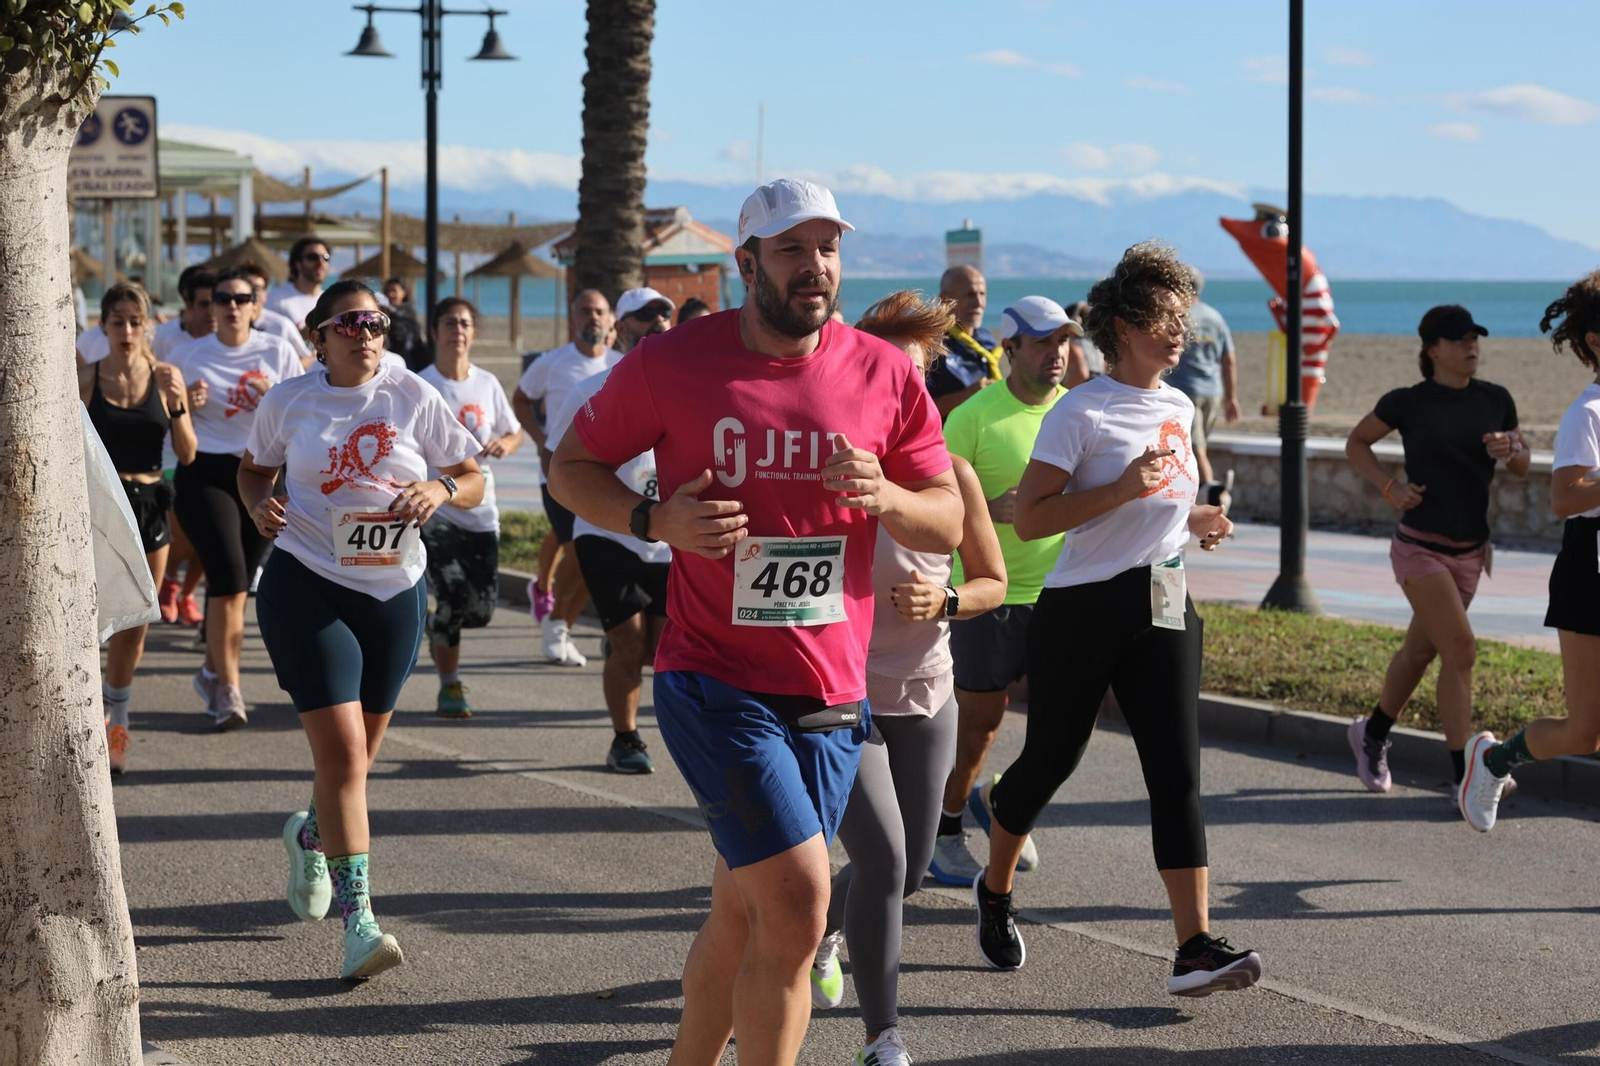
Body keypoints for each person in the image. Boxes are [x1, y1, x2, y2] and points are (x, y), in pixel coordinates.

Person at [549, 178, 962, 1066]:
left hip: (831, 688)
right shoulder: (673, 362)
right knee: (802, 906)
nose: (815, 267)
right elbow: (572, 465)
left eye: (828, 248)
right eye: (791, 249)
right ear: (746, 265)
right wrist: (651, 521)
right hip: (713, 678)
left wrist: (887, 493)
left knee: (742, 914)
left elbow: (948, 518)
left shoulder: (882, 371)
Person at [970, 242, 1261, 999]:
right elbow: (1032, 519)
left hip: (1164, 602)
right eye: (1166, 318)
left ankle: (1193, 947)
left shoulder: (1178, 404)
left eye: (1184, 318)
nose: (1180, 332)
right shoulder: (1082, 410)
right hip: (1081, 609)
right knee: (1050, 761)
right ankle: (996, 888)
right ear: (1124, 327)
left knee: (1177, 773)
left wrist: (1195, 516)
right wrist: (1123, 491)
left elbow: (1159, 497)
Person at [240, 280, 484, 981]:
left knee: (357, 763)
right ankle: (360, 924)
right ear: (318, 335)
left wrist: (440, 490)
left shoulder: (411, 395)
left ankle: (312, 832)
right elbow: (252, 472)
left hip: (394, 592)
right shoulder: (288, 400)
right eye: (348, 321)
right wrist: (260, 507)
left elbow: (470, 476)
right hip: (307, 582)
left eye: (375, 319)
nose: (365, 330)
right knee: (345, 758)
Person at [808, 291, 1007, 1066]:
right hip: (844, 692)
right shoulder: (836, 468)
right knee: (886, 861)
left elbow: (991, 581)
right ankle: (882, 1037)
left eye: (922, 373)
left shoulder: (952, 473)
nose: (910, 387)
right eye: (896, 371)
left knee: (914, 868)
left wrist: (948, 598)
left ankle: (823, 916)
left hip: (926, 690)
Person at [924, 296, 1080, 888]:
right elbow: (932, 498)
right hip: (989, 594)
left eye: (1063, 341)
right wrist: (986, 510)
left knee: (1063, 727)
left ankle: (1002, 801)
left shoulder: (1075, 412)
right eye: (1042, 342)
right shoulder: (974, 417)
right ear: (1009, 349)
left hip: (1063, 590)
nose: (1057, 353)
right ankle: (946, 826)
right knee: (980, 724)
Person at [1345, 305, 1526, 802]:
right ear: (1433, 350)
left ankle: (1371, 734)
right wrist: (1389, 487)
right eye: (1460, 339)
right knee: (1461, 650)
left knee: (1421, 651)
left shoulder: (1496, 399)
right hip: (1419, 549)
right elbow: (1357, 442)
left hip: (1470, 551)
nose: (1472, 346)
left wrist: (1511, 447)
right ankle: (1465, 776)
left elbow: (1522, 464)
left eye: (1475, 338)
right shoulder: (1409, 402)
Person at [1460, 271, 1600, 831]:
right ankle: (1493, 761)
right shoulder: (1587, 414)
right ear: (1595, 340)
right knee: (1584, 732)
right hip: (1590, 567)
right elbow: (1565, 497)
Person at [167, 269, 304, 729]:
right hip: (205, 471)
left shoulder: (278, 350)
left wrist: (275, 399)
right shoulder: (187, 355)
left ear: (255, 305)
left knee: (239, 584)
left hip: (264, 474)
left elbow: (301, 411)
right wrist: (183, 402)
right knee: (227, 576)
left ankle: (211, 672)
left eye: (240, 298)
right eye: (219, 298)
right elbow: (169, 420)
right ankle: (229, 688)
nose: (229, 306)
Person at [80, 283, 198, 773]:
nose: (126, 331)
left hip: (150, 502)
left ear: (147, 325)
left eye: (135, 321)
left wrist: (177, 406)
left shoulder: (167, 376)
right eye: (117, 322)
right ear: (103, 327)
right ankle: (84, 718)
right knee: (85, 619)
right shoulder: (85, 378)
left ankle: (117, 719)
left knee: (136, 621)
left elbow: (188, 453)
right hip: (101, 508)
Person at [416, 298, 522, 718]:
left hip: (480, 509)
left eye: (464, 323)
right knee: (454, 594)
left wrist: (503, 444)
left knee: (479, 611)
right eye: (448, 322)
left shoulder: (488, 383)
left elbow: (513, 432)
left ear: (473, 333)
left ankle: (433, 626)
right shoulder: (419, 385)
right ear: (434, 332)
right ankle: (450, 685)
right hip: (436, 511)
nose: (457, 330)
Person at [512, 288, 620, 667]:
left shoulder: (623, 363)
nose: (593, 317)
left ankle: (558, 618)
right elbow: (521, 398)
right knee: (580, 552)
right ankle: (557, 626)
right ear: (573, 318)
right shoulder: (552, 363)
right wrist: (543, 438)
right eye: (586, 311)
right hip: (557, 475)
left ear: (612, 321)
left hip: (606, 480)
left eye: (600, 311)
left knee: (586, 557)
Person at [1166, 267, 1240, 493]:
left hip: (1186, 390)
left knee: (1196, 449)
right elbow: (1229, 360)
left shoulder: (1181, 317)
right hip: (1213, 392)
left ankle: (1214, 496)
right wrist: (1231, 398)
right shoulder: (1215, 317)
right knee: (1197, 446)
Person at [927, 265, 1002, 418]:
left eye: (982, 294)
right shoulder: (930, 344)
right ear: (945, 299)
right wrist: (970, 394)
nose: (978, 303)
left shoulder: (987, 341)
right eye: (970, 294)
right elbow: (919, 410)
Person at [237, 260, 313, 367]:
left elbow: (309, 358)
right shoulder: (227, 323)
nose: (252, 294)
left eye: (257, 289)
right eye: (247, 287)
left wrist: (281, 378)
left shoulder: (281, 325)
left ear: (265, 295)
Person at [266, 236, 331, 330]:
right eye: (313, 257)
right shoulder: (275, 299)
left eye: (326, 257)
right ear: (298, 264)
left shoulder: (330, 302)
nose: (321, 263)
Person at [382, 277, 428, 370]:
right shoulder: (382, 313)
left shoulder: (410, 313)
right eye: (388, 291)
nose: (390, 294)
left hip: (410, 358)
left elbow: (417, 338)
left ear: (404, 292)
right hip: (389, 357)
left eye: (394, 291)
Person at [1067, 300, 1102, 385]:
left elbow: (1082, 374)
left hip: (1085, 386)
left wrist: (1064, 391)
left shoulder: (1075, 345)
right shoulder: (1096, 346)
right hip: (1100, 384)